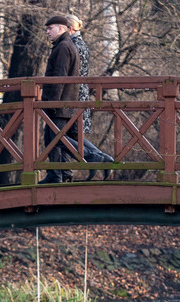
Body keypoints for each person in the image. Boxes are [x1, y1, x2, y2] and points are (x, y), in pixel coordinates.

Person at [64, 14, 114, 180]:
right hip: (82, 93)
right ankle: (103, 158)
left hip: (73, 95)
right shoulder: (82, 44)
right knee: (72, 136)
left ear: (70, 29)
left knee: (62, 136)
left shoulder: (71, 46)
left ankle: (94, 158)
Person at [38, 15, 80, 184]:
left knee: (53, 140)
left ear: (61, 28)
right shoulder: (65, 45)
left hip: (60, 104)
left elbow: (59, 78)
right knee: (60, 139)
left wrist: (52, 103)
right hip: (65, 104)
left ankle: (56, 176)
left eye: (50, 28)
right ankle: (64, 173)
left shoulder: (63, 47)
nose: (47, 32)